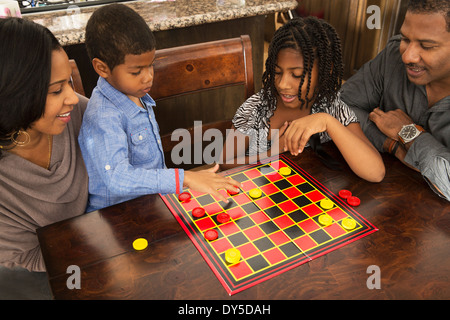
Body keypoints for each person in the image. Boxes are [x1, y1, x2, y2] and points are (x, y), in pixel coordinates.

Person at [79, 4, 241, 212]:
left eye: (151, 65)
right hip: (118, 215)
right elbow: (116, 178)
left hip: (152, 203)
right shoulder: (103, 116)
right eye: (136, 72)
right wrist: (185, 177)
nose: (148, 77)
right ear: (102, 68)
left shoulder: (135, 93)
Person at [221, 17, 385, 183]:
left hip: (308, 195)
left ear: (325, 71)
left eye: (296, 75)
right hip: (256, 197)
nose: (283, 84)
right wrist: (273, 152)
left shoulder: (331, 107)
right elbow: (224, 164)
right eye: (277, 72)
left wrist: (327, 121)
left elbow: (375, 173)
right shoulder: (257, 108)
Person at [0, 18, 88, 274]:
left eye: (69, 83)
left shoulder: (82, 113)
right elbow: (24, 261)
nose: (73, 98)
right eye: (56, 90)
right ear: (13, 97)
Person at [340, 0, 450, 201]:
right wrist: (394, 146)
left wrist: (409, 133)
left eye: (426, 46)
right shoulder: (393, 56)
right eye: (406, 39)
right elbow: (341, 107)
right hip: (380, 198)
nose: (408, 56)